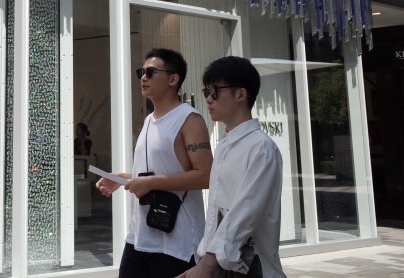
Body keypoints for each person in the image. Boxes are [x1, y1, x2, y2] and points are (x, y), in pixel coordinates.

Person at [95, 48, 212, 278]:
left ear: (173, 78)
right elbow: (155, 172)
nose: (143, 77)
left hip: (176, 241)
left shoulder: (189, 120)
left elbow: (206, 175)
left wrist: (152, 183)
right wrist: (120, 178)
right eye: (141, 72)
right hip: (140, 236)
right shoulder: (149, 120)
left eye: (150, 72)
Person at [177, 56, 286, 278]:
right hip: (219, 266)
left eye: (215, 91)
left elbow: (244, 213)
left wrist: (205, 267)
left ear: (241, 94)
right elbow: (217, 215)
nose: (208, 99)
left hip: (253, 270)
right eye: (206, 91)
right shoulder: (225, 145)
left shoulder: (262, 149)